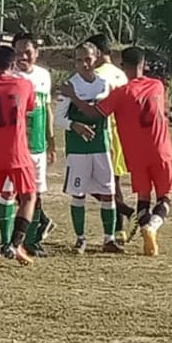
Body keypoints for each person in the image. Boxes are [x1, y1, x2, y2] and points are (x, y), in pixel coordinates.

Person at [60, 47, 172, 257]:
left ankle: (140, 226)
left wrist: (74, 97)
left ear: (123, 67)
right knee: (164, 198)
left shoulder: (120, 93)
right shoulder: (158, 86)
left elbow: (93, 113)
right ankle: (152, 227)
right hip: (162, 150)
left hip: (137, 155)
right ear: (144, 64)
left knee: (143, 198)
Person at [54, 43, 120, 254]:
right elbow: (58, 118)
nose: (83, 64)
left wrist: (109, 142)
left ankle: (109, 239)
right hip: (78, 149)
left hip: (101, 146)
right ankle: (80, 238)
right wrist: (74, 125)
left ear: (97, 57)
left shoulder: (104, 84)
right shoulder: (69, 85)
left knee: (108, 192)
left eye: (88, 59)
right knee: (78, 193)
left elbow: (106, 115)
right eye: (79, 60)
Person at [0, 46, 37, 267]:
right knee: (29, 196)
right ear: (13, 65)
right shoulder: (24, 85)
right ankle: (15, 243)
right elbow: (29, 107)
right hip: (17, 152)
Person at [87, 34, 136, 239]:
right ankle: (119, 229)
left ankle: (125, 212)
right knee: (113, 183)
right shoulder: (121, 75)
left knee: (87, 184)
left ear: (97, 53)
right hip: (121, 133)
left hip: (103, 133)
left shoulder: (95, 75)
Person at [13, 34, 56, 256]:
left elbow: (47, 108)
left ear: (36, 53)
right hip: (14, 146)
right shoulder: (10, 77)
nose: (23, 56)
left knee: (37, 192)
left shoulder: (43, 75)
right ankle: (10, 241)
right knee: (12, 194)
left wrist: (51, 141)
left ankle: (31, 240)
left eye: (27, 51)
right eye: (19, 51)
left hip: (37, 144)